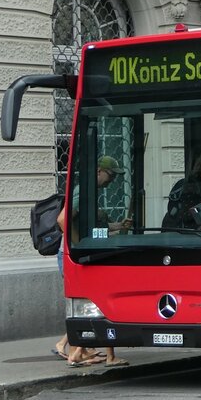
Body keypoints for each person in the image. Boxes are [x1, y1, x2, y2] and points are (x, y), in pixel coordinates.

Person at [53, 154, 130, 368]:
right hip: (74, 255)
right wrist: (78, 247)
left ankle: (79, 350)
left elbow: (90, 226)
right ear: (98, 172)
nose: (113, 180)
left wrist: (117, 226)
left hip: (79, 253)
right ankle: (76, 351)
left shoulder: (91, 192)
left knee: (90, 301)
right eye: (111, 175)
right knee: (91, 300)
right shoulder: (83, 192)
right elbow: (63, 220)